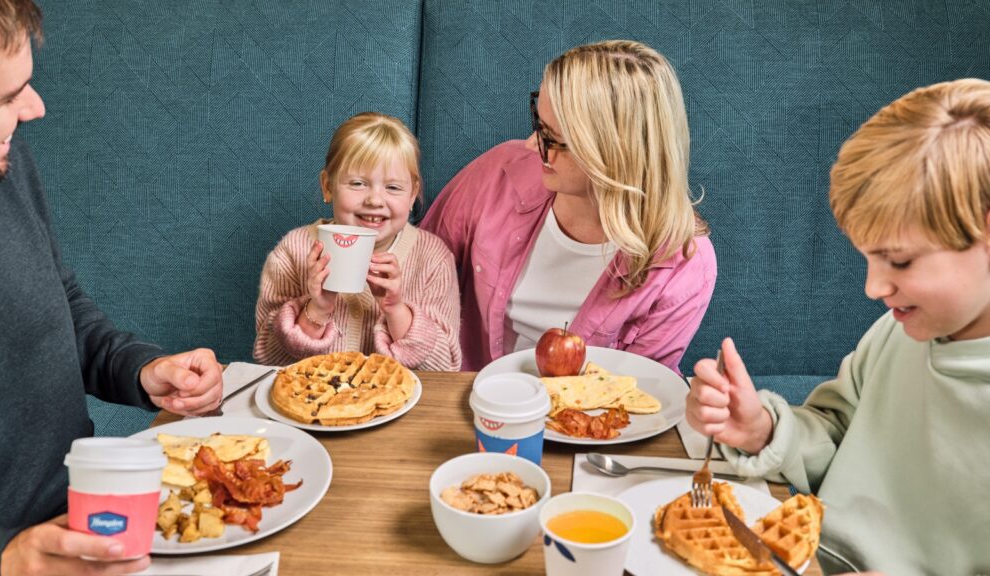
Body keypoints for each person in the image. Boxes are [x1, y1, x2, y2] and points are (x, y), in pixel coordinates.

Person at [686, 78, 990, 574]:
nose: (874, 288)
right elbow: (836, 431)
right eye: (869, 258)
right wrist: (761, 430)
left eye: (900, 261)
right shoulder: (896, 332)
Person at [0, 2, 224, 574]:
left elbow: (60, 306)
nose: (35, 109)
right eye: (6, 98)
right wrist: (0, 558)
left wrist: (139, 368)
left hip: (91, 516)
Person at [421, 40, 717, 373]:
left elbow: (638, 388)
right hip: (470, 399)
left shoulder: (683, 263)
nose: (535, 146)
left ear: (615, 153)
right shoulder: (499, 173)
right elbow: (417, 267)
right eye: (540, 126)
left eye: (555, 140)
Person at [253, 112, 461, 370]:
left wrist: (395, 310)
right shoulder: (293, 252)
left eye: (393, 188)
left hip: (400, 405)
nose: (375, 200)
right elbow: (268, 357)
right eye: (358, 183)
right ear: (328, 187)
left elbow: (446, 367)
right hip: (313, 405)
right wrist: (316, 309)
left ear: (412, 195)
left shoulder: (432, 258)